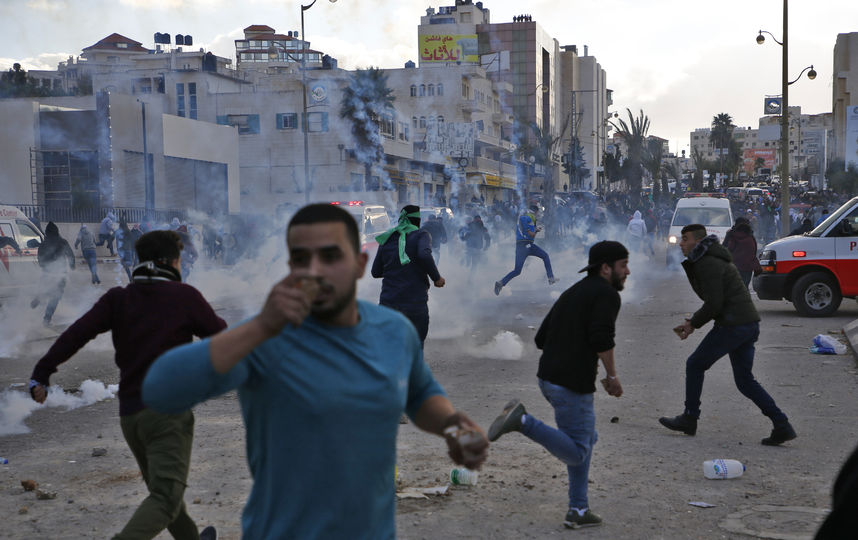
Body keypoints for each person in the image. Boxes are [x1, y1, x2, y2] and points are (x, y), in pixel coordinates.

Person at [141, 203, 489, 539]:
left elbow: (420, 393)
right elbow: (159, 389)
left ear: (359, 263)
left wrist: (452, 425)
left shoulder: (392, 331)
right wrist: (261, 326)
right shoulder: (265, 338)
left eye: (331, 255)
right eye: (302, 258)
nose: (316, 269)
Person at [29, 230, 225, 540]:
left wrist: (41, 372)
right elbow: (225, 342)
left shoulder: (118, 299)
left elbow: (75, 334)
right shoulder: (184, 296)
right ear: (172, 261)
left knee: (163, 493)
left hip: (131, 416)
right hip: (167, 414)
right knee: (165, 498)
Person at [486, 240, 630, 530]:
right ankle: (522, 421)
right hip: (571, 384)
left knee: (586, 440)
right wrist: (612, 377)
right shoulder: (606, 294)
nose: (627, 272)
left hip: (548, 378)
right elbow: (602, 338)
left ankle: (578, 509)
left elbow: (541, 338)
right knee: (578, 451)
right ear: (606, 268)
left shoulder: (573, 291)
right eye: (623, 265)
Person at [659, 224, 797, 445]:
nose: (681, 243)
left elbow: (715, 302)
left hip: (734, 324)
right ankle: (782, 424)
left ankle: (689, 417)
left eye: (685, 239)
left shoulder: (708, 262)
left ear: (697, 241)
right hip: (746, 323)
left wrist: (692, 323)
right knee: (745, 380)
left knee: (695, 364)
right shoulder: (711, 258)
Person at [371, 205, 445, 346]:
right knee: (415, 346)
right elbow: (424, 255)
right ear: (417, 221)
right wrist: (436, 278)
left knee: (389, 347)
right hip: (414, 304)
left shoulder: (386, 238)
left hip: (388, 303)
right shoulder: (421, 235)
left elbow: (376, 272)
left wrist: (394, 269)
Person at [494, 205, 556, 295]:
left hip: (520, 246)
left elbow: (525, 231)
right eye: (538, 213)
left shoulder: (523, 217)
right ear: (535, 211)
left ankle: (501, 283)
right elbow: (531, 234)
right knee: (545, 256)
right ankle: (550, 278)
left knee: (517, 270)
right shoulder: (529, 217)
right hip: (527, 245)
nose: (538, 215)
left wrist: (535, 230)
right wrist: (536, 231)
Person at [31, 222, 75, 325]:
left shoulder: (43, 244)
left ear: (46, 233)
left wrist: (45, 267)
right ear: (57, 231)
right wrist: (72, 265)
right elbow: (70, 254)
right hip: (60, 274)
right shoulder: (62, 242)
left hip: (46, 273)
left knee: (46, 289)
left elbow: (40, 260)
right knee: (55, 296)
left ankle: (39, 297)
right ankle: (47, 319)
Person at [722, 217, 759, 288]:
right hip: (747, 267)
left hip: (735, 265)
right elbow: (754, 251)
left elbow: (725, 248)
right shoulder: (750, 235)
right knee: (744, 287)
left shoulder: (732, 234)